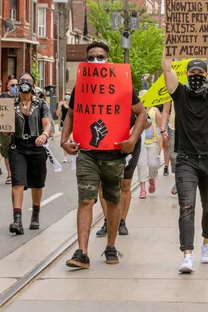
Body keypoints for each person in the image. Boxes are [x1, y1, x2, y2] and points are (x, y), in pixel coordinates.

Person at [63, 40, 147, 269]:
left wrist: (132, 139)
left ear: (108, 60)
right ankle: (82, 252)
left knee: (112, 200)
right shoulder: (81, 86)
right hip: (88, 153)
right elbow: (71, 114)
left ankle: (110, 246)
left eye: (100, 56)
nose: (96, 60)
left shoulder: (122, 85)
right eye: (91, 57)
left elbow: (142, 114)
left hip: (114, 153)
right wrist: (63, 140)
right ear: (86, 60)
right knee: (86, 199)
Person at [163, 29, 208, 274]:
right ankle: (187, 255)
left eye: (200, 73)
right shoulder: (179, 94)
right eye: (192, 73)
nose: (196, 76)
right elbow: (167, 68)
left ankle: (206, 245)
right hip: (186, 161)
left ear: (206, 75)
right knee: (187, 206)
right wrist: (169, 38)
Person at [0, 73, 51, 235]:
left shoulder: (40, 104)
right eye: (22, 82)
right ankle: (17, 219)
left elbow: (47, 123)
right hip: (17, 146)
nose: (25, 84)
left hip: (36, 145)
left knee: (37, 183)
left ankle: (35, 214)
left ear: (33, 85)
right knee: (17, 182)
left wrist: (43, 135)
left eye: (28, 82)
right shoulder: (9, 104)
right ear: (17, 85)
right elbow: (4, 132)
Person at [95, 112, 142, 237]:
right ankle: (107, 221)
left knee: (125, 185)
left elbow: (145, 121)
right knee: (102, 184)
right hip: (107, 143)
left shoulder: (131, 98)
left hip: (130, 145)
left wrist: (134, 132)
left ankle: (121, 221)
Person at [135, 98, 163, 199]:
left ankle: (151, 179)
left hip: (153, 141)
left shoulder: (154, 110)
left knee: (153, 164)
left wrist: (163, 134)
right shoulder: (137, 110)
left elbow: (160, 125)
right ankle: (142, 189)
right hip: (141, 141)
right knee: (141, 165)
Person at [0, 77, 18, 184]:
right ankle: (9, 174)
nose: (15, 87)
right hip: (5, 128)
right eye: (12, 85)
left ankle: (16, 174)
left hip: (19, 128)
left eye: (17, 85)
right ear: (8, 87)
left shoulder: (21, 98)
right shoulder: (2, 97)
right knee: (7, 151)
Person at [161, 101, 178, 195]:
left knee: (186, 156)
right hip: (173, 127)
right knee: (173, 156)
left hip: (188, 126)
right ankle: (179, 180)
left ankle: (179, 182)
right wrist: (163, 129)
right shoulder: (169, 90)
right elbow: (165, 110)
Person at [57, 89, 73, 162]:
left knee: (71, 139)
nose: (68, 95)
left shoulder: (72, 104)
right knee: (64, 139)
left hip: (72, 123)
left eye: (69, 94)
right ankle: (65, 157)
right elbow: (57, 114)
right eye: (66, 94)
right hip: (63, 123)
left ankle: (71, 152)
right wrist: (59, 107)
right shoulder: (62, 103)